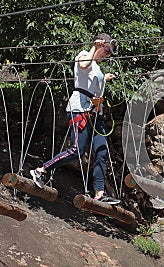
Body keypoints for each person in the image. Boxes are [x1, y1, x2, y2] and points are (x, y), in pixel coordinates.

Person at [30, 33, 120, 205]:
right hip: (79, 109)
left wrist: (104, 79)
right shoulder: (84, 55)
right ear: (100, 44)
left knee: (101, 151)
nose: (107, 55)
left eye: (109, 53)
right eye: (107, 50)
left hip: (94, 112)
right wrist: (94, 47)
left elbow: (94, 89)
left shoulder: (99, 69)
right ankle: (42, 170)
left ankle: (100, 193)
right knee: (76, 150)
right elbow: (85, 66)